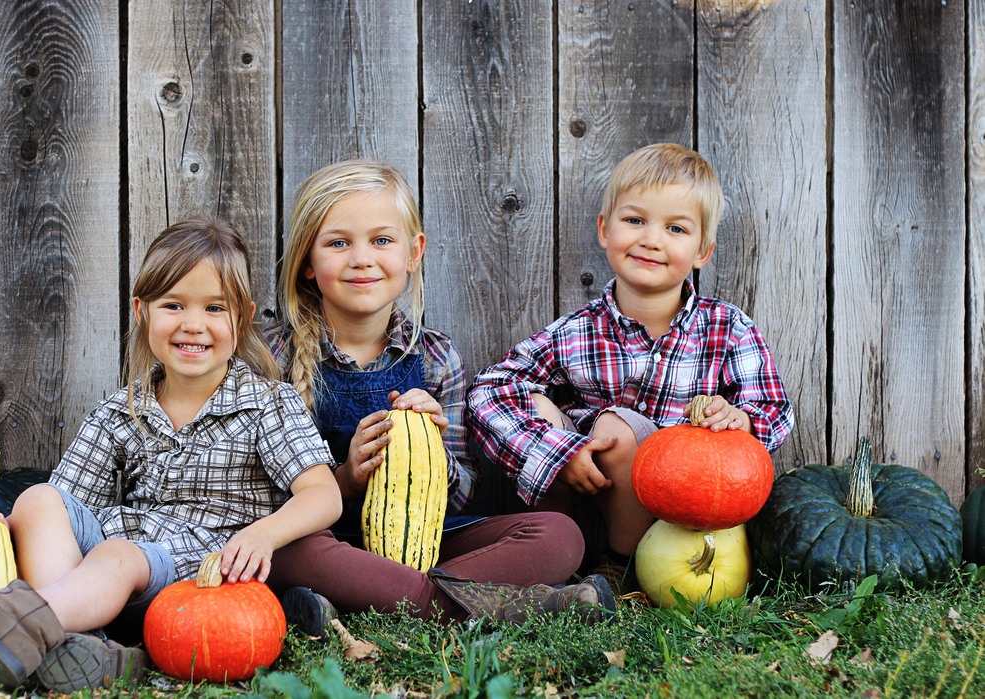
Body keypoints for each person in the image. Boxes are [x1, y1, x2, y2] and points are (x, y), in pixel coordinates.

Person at [0, 218, 342, 692]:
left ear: (242, 316)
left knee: (120, 553)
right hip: (110, 562)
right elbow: (66, 504)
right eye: (173, 305)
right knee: (37, 499)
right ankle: (80, 643)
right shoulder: (122, 410)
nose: (193, 324)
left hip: (196, 573)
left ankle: (25, 618)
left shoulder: (268, 403)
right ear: (142, 311)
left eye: (214, 307)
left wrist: (263, 536)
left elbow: (323, 496)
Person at [263, 158, 615, 635]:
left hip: (427, 539)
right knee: (287, 550)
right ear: (307, 261)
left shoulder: (435, 357)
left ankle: (369, 599)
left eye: (381, 240)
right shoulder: (275, 357)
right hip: (325, 538)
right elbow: (255, 491)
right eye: (338, 243)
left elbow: (464, 492)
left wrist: (430, 453)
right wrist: (345, 479)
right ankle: (484, 603)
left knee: (558, 534)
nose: (362, 258)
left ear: (414, 252)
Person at [466, 143, 795, 591]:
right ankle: (562, 554)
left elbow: (773, 408)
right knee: (537, 403)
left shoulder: (726, 327)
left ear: (703, 250)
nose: (651, 239)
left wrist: (741, 420)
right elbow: (489, 389)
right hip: (586, 497)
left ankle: (623, 570)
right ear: (605, 229)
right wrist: (559, 453)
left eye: (675, 228)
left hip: (677, 519)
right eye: (635, 220)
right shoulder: (578, 331)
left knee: (619, 428)